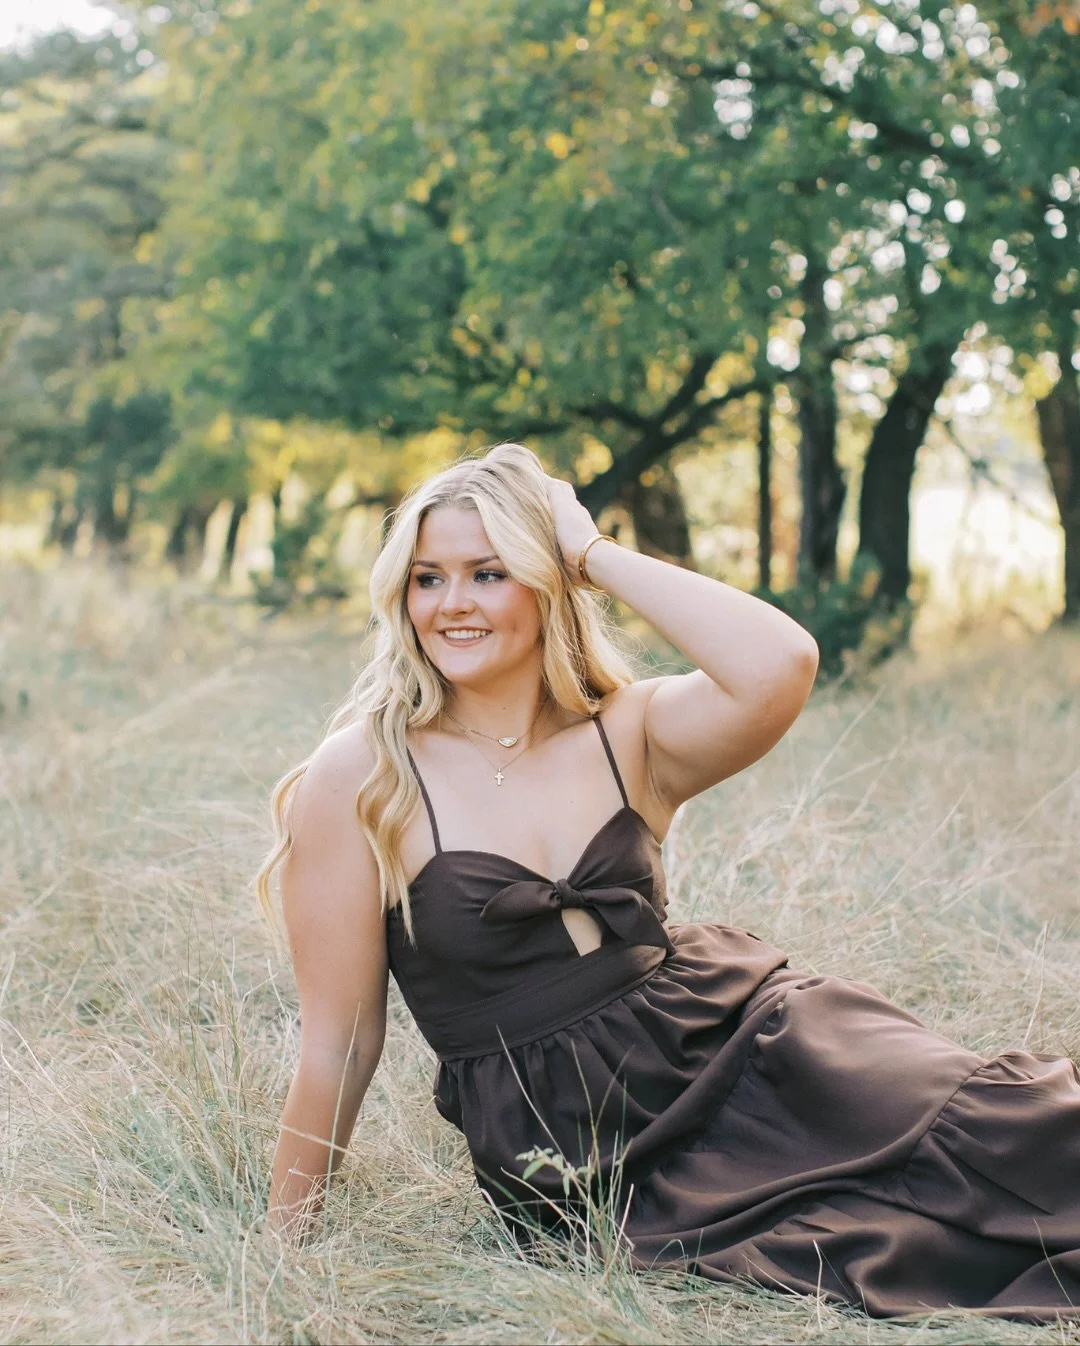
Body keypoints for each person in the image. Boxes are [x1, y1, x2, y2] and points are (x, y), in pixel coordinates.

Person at [258, 442, 1080, 1320]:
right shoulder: (362, 775)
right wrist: (280, 1257)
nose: (452, 603)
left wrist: (590, 550)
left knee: (1028, 1141)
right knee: (894, 1250)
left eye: (489, 573)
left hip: (747, 1045)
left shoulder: (630, 731)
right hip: (581, 1148)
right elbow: (339, 1044)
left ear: (545, 582)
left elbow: (780, 664)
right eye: (427, 578)